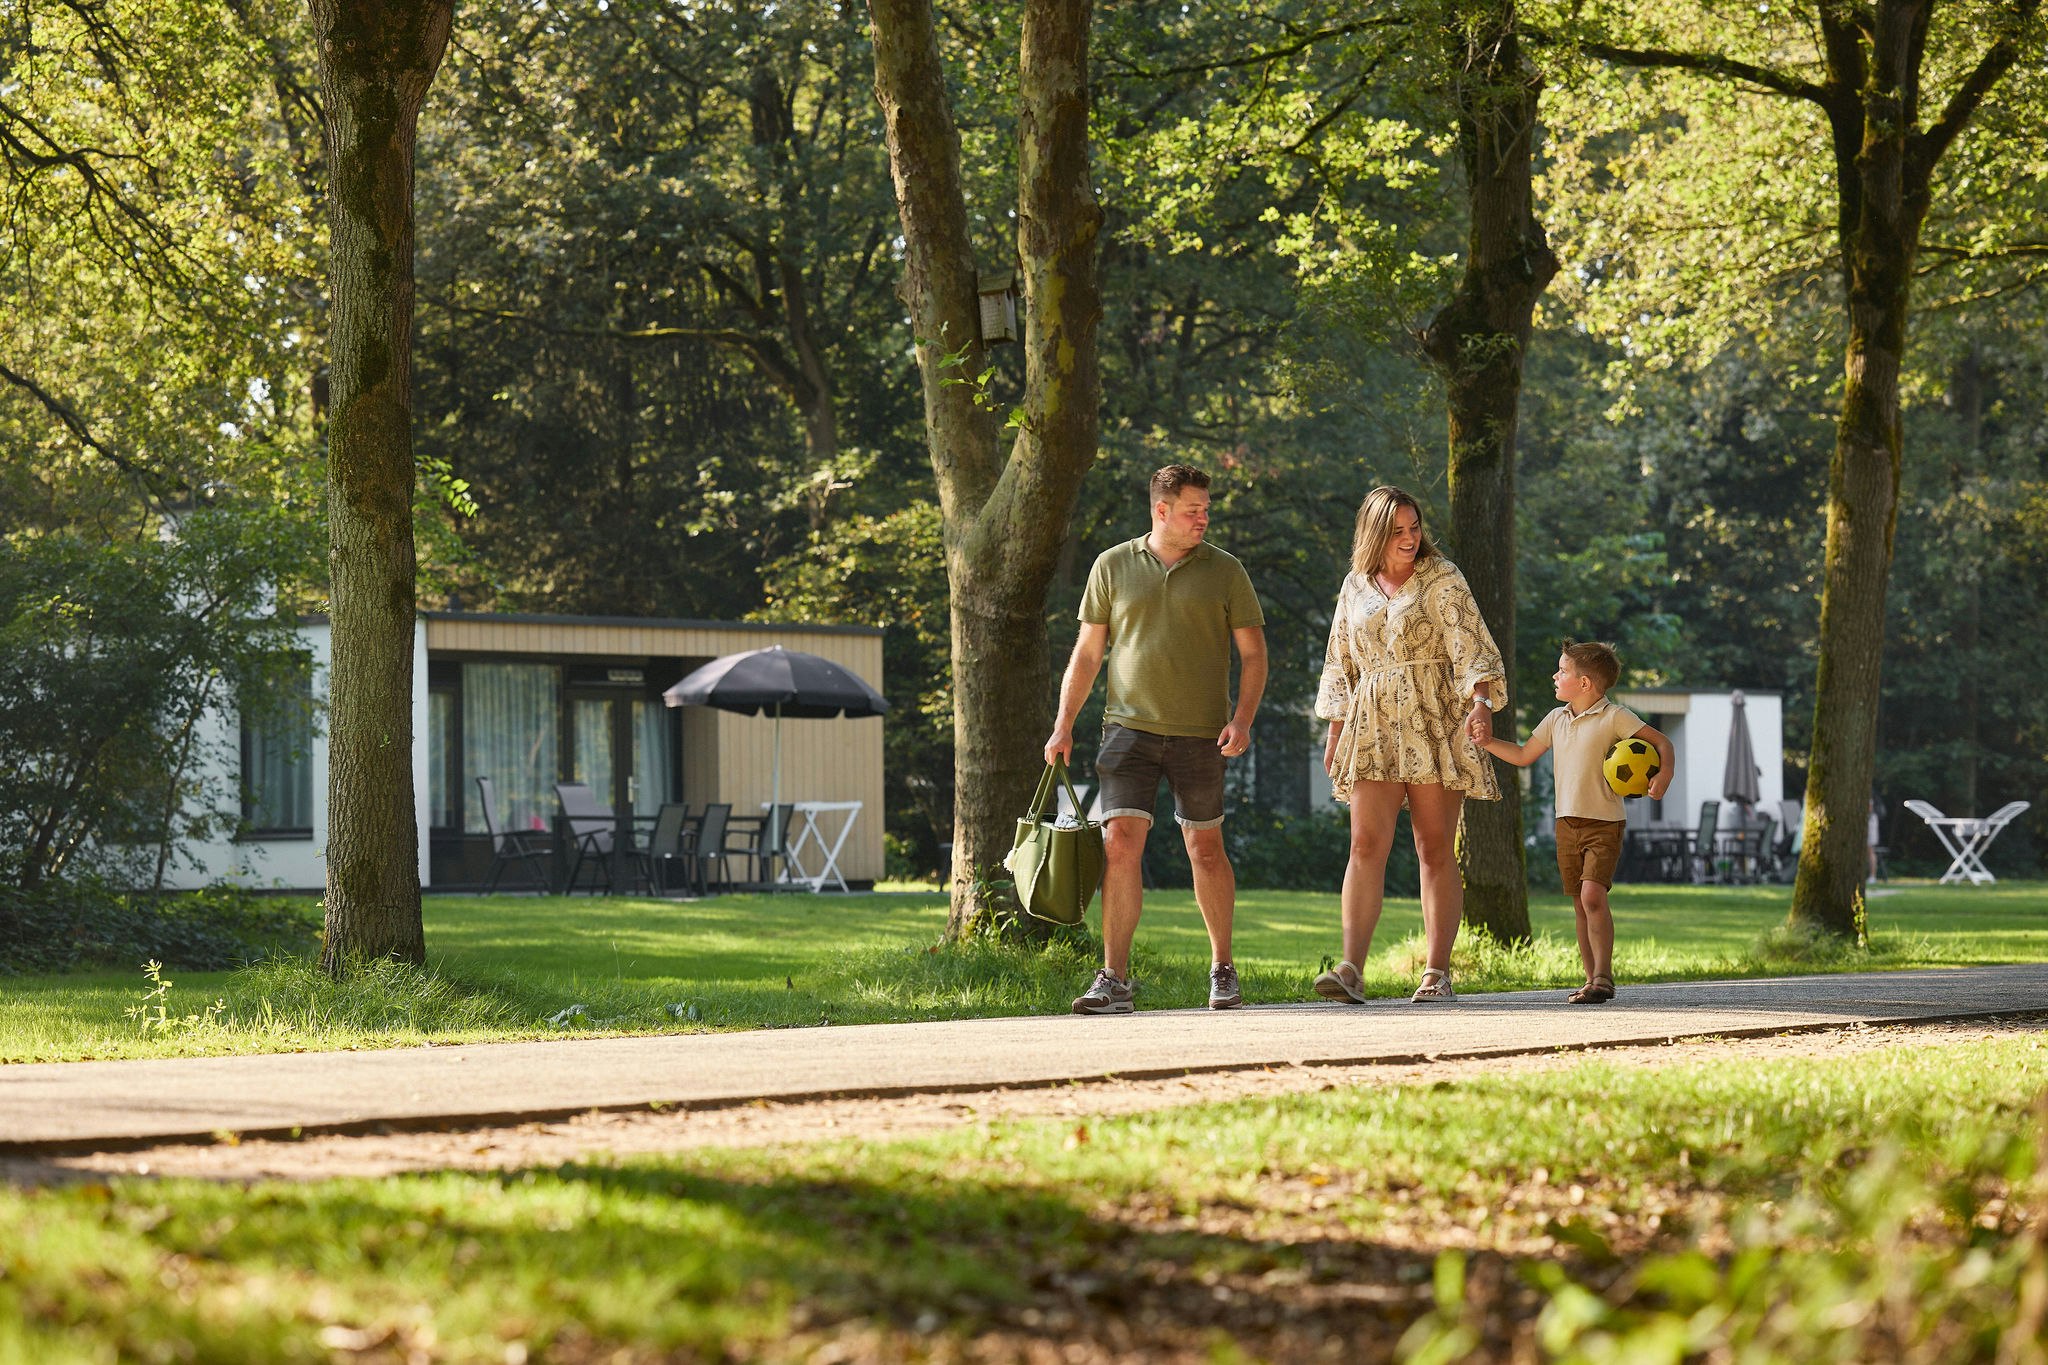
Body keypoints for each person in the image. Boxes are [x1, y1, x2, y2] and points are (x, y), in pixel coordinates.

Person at [1044, 463, 1267, 1015]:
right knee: (1119, 843)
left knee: (1205, 848)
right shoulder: (1112, 565)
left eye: (1206, 509)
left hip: (1202, 735)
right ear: (1161, 510)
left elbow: (1254, 654)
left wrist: (1241, 720)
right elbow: (1088, 653)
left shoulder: (1226, 571)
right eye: (1193, 510)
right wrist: (1064, 723)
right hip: (1126, 730)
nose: (1203, 519)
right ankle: (1114, 979)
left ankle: (1223, 968)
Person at [1312, 486, 1506, 1004]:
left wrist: (1481, 704)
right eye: (1397, 530)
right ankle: (1351, 969)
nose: (1409, 538)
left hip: (1434, 717)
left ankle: (1437, 972)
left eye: (1414, 527)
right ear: (1373, 534)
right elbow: (1339, 661)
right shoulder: (1355, 585)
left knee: (1433, 846)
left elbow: (1470, 645)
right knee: (1364, 845)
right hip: (1372, 721)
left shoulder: (1442, 577)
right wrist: (1335, 731)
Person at [1471, 641, 1673, 1003]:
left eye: (1562, 670)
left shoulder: (1616, 717)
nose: (1555, 675)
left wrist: (1664, 775)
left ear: (1584, 683)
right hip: (1566, 823)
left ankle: (1604, 976)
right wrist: (1487, 742)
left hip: (1604, 823)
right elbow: (1523, 755)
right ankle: (1591, 980)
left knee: (1592, 894)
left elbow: (1662, 743)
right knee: (1580, 903)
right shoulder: (1555, 719)